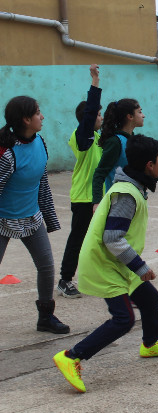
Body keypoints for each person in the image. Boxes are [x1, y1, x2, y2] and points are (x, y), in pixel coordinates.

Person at [53, 135, 158, 393]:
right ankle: (72, 356)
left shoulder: (132, 186)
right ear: (149, 165)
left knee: (149, 298)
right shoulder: (126, 194)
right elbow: (112, 238)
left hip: (118, 262)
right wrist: (141, 267)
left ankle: (150, 345)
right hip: (105, 263)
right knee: (123, 319)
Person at [0, 96, 70, 334]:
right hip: (2, 219)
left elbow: (41, 182)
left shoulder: (40, 142)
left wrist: (48, 215)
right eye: (38, 113)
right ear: (25, 119)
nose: (43, 117)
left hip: (31, 216)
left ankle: (46, 318)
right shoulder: (6, 153)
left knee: (47, 267)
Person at [57, 64, 103, 299]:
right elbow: (90, 112)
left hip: (98, 198)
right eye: (97, 114)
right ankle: (65, 280)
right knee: (78, 238)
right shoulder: (81, 137)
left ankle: (100, 277)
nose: (100, 116)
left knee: (103, 239)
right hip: (84, 197)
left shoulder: (98, 137)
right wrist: (95, 82)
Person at [91, 98, 158, 210]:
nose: (143, 115)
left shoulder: (134, 141)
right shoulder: (115, 142)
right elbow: (100, 173)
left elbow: (147, 167)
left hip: (135, 199)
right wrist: (96, 202)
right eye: (139, 112)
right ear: (130, 116)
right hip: (118, 202)